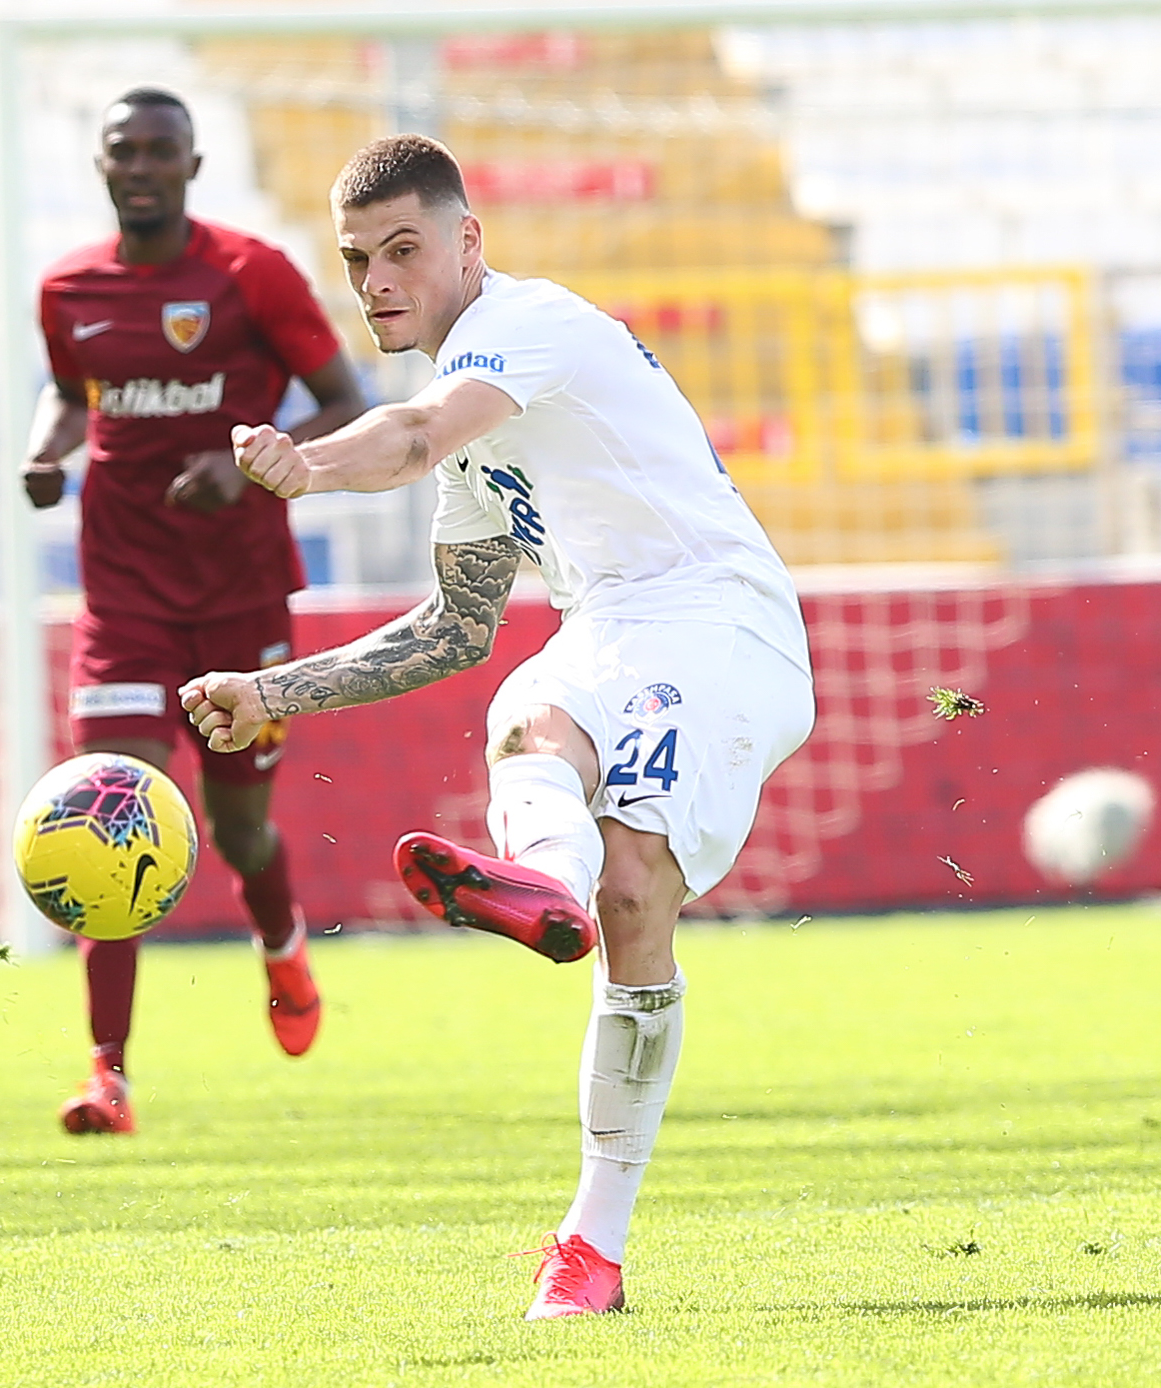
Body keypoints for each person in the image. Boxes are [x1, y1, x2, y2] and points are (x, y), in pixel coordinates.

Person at [179, 134, 816, 1318]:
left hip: (723, 619)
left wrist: (306, 464)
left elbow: (413, 433)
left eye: (403, 249)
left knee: (597, 806)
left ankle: (547, 887)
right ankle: (589, 1244)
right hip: (614, 629)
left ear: (468, 240)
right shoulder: (472, 430)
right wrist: (272, 694)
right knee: (563, 780)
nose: (377, 281)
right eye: (358, 259)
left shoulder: (526, 328)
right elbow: (456, 626)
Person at [27, 87, 367, 1134]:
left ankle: (281, 946)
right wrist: (46, 450)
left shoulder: (249, 273)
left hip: (238, 594)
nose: (140, 167)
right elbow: (71, 392)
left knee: (236, 826)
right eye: (122, 151)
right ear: (101, 165)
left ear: (192, 164)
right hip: (123, 597)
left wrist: (251, 469)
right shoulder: (67, 288)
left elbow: (345, 399)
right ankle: (108, 1073)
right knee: (109, 810)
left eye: (158, 150)